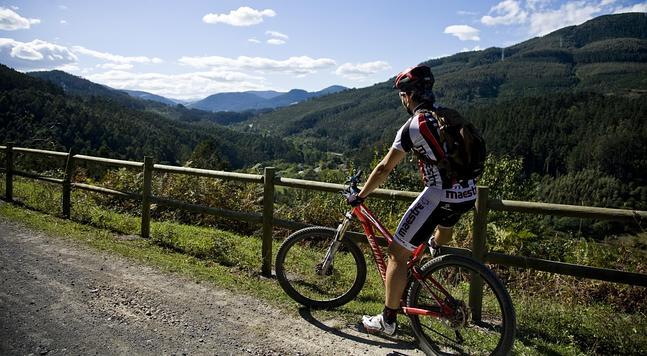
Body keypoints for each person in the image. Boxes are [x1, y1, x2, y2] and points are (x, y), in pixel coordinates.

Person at [346, 65, 479, 336]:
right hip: (468, 193)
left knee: (396, 252)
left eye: (402, 96)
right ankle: (431, 253)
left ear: (408, 96)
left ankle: (388, 321)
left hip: (439, 195)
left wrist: (361, 195)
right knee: (440, 226)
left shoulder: (413, 126)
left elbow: (384, 168)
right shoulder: (447, 116)